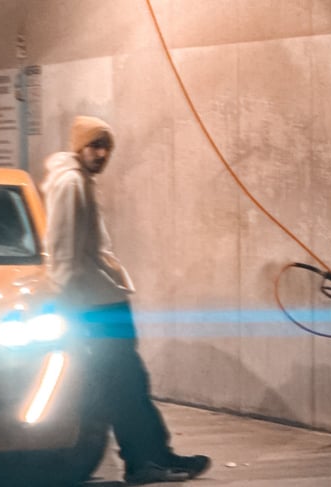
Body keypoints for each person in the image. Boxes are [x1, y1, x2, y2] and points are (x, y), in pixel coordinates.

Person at [41, 115, 211, 484]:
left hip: (99, 299)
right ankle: (146, 460)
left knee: (124, 384)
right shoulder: (70, 183)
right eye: (95, 146)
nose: (101, 154)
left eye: (106, 147)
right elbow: (64, 253)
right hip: (94, 305)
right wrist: (64, 304)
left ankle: (150, 457)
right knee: (126, 383)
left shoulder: (79, 180)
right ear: (78, 146)